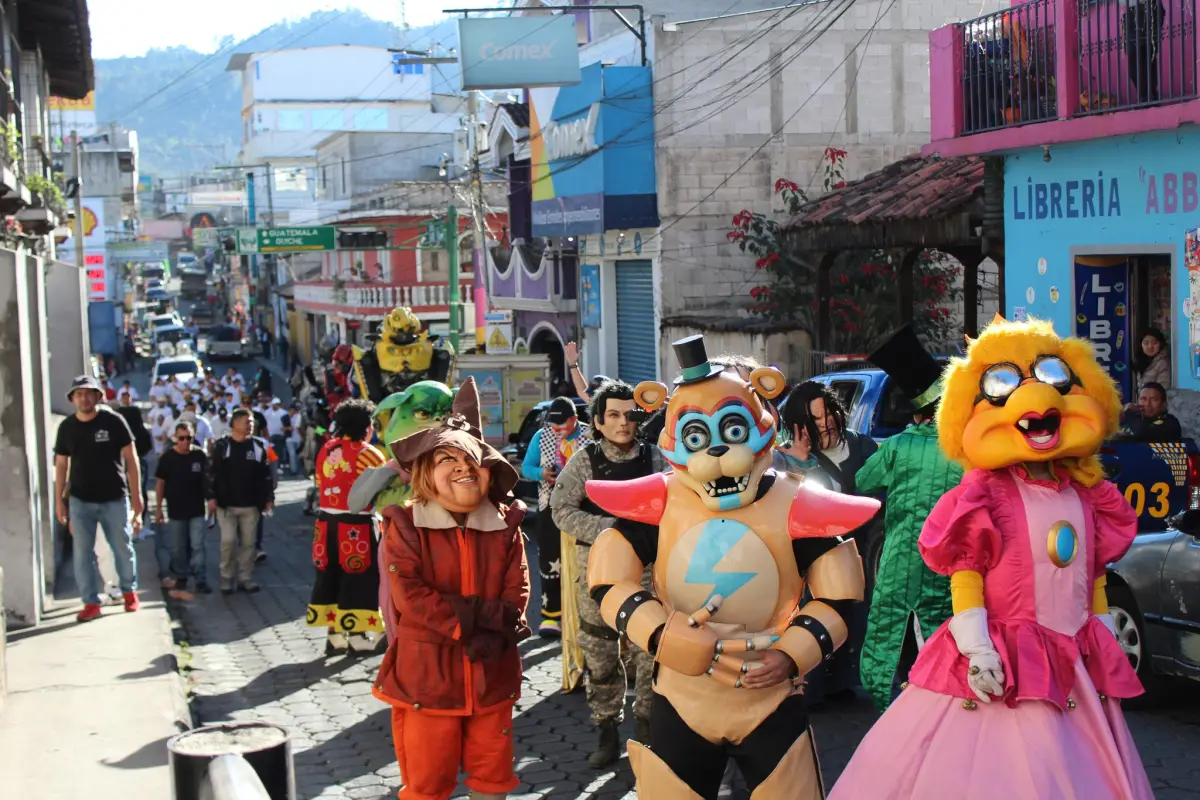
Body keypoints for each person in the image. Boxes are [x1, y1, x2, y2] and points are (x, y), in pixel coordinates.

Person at [828, 317, 1152, 800]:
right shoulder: (985, 494)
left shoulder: (1088, 495)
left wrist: (1102, 628)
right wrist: (977, 646)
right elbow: (968, 571)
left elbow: (1093, 571)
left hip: (1075, 663)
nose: (1038, 402)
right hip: (1009, 661)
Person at [583, 335, 877, 798]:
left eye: (734, 429)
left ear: (764, 423)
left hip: (770, 694)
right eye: (698, 436)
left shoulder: (795, 503)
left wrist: (792, 654)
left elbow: (841, 594)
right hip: (682, 696)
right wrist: (662, 635)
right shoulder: (663, 503)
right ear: (674, 439)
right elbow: (607, 577)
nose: (717, 453)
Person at [373, 377, 530, 800]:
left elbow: (517, 591)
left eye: (472, 459)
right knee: (427, 787)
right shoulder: (405, 525)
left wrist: (492, 631)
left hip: (491, 678)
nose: (463, 467)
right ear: (426, 470)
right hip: (426, 682)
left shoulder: (505, 525)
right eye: (447, 458)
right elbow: (411, 596)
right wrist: (472, 627)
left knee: (493, 783)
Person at [550, 380, 662, 768]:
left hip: (648, 575)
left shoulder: (657, 458)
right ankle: (607, 730)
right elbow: (560, 510)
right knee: (600, 655)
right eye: (612, 415)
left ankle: (646, 729)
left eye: (629, 414)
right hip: (597, 574)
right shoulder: (584, 461)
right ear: (597, 421)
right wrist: (611, 528)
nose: (622, 423)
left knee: (652, 654)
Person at [855, 325, 964, 711]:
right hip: (953, 561)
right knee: (947, 630)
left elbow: (862, 480)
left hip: (901, 556)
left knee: (886, 631)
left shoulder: (898, 446)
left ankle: (889, 707)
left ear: (916, 411)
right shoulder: (969, 450)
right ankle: (949, 702)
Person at [784, 380, 879, 702]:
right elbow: (807, 503)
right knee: (821, 613)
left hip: (864, 548)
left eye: (829, 413)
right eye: (815, 419)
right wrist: (800, 462)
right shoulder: (790, 458)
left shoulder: (863, 446)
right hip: (821, 554)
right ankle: (814, 689)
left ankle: (844, 683)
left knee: (857, 615)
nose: (826, 423)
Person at [53, 375, 144, 623]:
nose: (84, 398)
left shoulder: (113, 421)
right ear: (73, 399)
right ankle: (90, 603)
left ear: (98, 396)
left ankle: (129, 592)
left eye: (89, 393)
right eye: (79, 394)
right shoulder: (67, 427)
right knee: (82, 554)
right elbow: (61, 465)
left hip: (114, 497)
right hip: (80, 500)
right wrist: (59, 501)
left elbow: (131, 459)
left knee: (122, 547)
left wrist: (137, 497)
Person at [306, 398, 388, 655]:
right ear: (366, 426)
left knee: (331, 576)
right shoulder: (368, 453)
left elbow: (319, 480)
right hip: (356, 525)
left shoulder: (327, 449)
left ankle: (335, 636)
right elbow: (381, 490)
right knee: (360, 578)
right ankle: (358, 634)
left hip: (325, 524)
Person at [520, 397, 587, 638]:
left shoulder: (589, 437)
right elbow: (526, 467)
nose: (555, 429)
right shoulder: (542, 436)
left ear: (574, 420)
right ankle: (551, 615)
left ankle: (583, 614)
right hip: (549, 507)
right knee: (549, 560)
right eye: (552, 424)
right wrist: (541, 473)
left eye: (561, 424)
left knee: (584, 560)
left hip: (584, 508)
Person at [206, 408, 274, 594]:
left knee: (249, 544)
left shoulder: (259, 447)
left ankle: (245, 578)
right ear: (234, 424)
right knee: (228, 541)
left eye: (251, 422)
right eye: (246, 422)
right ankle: (226, 579)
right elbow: (211, 473)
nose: (250, 425)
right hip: (226, 505)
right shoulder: (222, 447)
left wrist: (268, 498)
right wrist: (211, 497)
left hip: (251, 505)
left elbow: (265, 475)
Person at [155, 421, 211, 593]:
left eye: (189, 438)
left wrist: (211, 499)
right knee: (179, 547)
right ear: (175, 438)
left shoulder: (199, 456)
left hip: (197, 509)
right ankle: (181, 576)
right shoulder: (167, 458)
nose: (186, 442)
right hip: (176, 510)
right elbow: (160, 484)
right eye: (182, 438)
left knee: (198, 545)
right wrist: (158, 508)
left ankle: (200, 578)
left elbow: (207, 480)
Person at [115, 389, 153, 514]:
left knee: (139, 489)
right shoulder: (119, 415)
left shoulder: (135, 415)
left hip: (139, 459)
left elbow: (146, 444)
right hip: (122, 462)